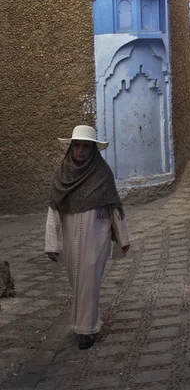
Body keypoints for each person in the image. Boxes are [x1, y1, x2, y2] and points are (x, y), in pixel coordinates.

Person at [45, 125, 130, 350]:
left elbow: (114, 206)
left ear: (93, 150)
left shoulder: (102, 173)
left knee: (89, 282)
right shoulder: (62, 174)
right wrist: (52, 243)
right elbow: (54, 209)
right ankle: (83, 324)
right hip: (71, 240)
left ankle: (87, 330)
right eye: (77, 146)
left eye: (85, 147)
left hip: (97, 237)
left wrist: (123, 237)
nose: (80, 151)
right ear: (71, 148)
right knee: (77, 282)